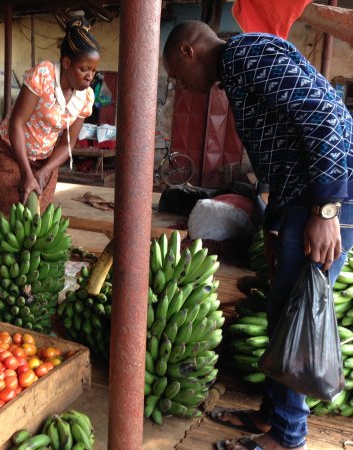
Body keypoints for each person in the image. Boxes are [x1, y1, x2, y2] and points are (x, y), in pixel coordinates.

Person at [164, 21, 353, 450]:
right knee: (281, 311)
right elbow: (277, 153)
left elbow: (324, 115)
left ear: (187, 52)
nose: (186, 88)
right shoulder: (238, 69)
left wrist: (326, 209)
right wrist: (271, 224)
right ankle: (273, 418)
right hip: (299, 199)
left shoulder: (246, 55)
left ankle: (288, 438)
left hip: (322, 199)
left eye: (177, 77)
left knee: (297, 315)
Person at [0, 18, 100, 271]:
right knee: (3, 220)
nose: (90, 76)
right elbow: (16, 124)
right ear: (67, 63)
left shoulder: (86, 97)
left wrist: (44, 171)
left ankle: (26, 283)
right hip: (9, 153)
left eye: (94, 71)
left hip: (46, 161)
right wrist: (27, 173)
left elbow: (69, 142)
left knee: (35, 224)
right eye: (84, 69)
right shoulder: (44, 75)